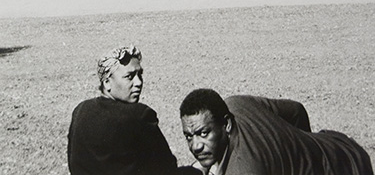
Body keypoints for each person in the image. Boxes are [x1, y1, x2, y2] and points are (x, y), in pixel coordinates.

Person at [180, 88, 373, 175]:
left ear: (227, 125)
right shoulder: (234, 104)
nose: (195, 146)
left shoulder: (245, 169)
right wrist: (302, 150)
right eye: (189, 136)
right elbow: (296, 110)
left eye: (204, 134)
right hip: (336, 144)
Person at [68, 44, 178, 175]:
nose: (138, 83)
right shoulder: (140, 115)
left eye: (140, 75)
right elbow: (167, 167)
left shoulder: (81, 110)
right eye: (129, 76)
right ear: (107, 83)